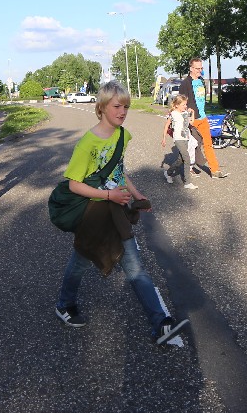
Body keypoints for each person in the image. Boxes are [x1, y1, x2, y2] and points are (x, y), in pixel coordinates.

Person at [54, 81, 189, 346]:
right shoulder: (88, 143)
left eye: (126, 107)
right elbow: (73, 184)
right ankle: (64, 304)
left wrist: (137, 195)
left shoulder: (122, 136)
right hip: (94, 213)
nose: (123, 111)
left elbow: (118, 171)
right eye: (117, 106)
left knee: (135, 267)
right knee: (81, 261)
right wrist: (109, 195)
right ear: (102, 107)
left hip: (116, 212)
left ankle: (160, 323)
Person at [176, 57, 228, 179]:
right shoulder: (185, 84)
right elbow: (180, 103)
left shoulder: (201, 81)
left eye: (201, 68)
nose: (199, 70)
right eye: (197, 68)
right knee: (191, 146)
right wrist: (187, 118)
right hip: (192, 120)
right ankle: (177, 169)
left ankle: (215, 170)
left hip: (203, 118)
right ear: (191, 68)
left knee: (208, 144)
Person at [161, 94, 199, 189]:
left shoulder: (185, 113)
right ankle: (187, 182)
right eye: (183, 105)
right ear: (177, 105)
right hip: (178, 139)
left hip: (186, 138)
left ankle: (168, 173)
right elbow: (166, 125)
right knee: (187, 159)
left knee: (180, 160)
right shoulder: (173, 114)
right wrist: (164, 138)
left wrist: (193, 113)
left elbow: (191, 123)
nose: (185, 106)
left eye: (186, 104)